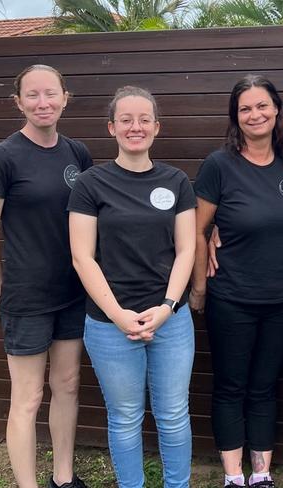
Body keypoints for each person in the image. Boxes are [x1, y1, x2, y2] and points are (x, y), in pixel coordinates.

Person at [68, 86, 196, 488]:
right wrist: (118, 315)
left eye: (144, 119)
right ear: (112, 128)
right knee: (124, 417)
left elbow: (187, 249)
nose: (135, 127)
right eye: (126, 120)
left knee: (174, 413)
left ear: (157, 127)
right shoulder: (91, 184)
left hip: (171, 322)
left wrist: (169, 306)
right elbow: (82, 257)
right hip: (109, 325)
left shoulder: (176, 181)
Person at [0, 65, 92, 488]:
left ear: (65, 97)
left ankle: (63, 478)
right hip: (25, 299)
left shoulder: (77, 153)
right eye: (32, 95)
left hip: (71, 292)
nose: (42, 103)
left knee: (67, 385)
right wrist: (3, 296)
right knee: (27, 399)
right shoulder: (2, 158)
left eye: (51, 94)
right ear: (18, 102)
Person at [191, 74, 283, 488]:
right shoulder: (220, 165)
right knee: (231, 386)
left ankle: (262, 474)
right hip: (231, 298)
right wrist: (199, 289)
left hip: (280, 299)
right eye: (245, 109)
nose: (254, 114)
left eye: (261, 106)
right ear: (235, 118)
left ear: (276, 110)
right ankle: (233, 477)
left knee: (265, 386)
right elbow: (199, 230)